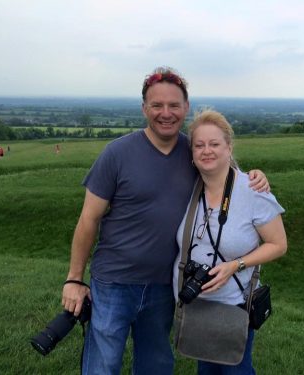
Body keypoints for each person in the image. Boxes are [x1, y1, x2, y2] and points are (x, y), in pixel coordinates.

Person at [61, 67, 269, 375]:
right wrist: (75, 279)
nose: (165, 113)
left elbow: (227, 174)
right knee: (103, 364)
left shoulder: (194, 152)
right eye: (156, 105)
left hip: (163, 286)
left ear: (186, 107)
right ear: (144, 108)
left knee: (155, 364)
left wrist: (257, 177)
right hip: (114, 283)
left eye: (174, 105)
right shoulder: (117, 153)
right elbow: (88, 220)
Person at [173, 110, 287, 375]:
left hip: (235, 306)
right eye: (199, 145)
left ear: (229, 147)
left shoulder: (252, 190)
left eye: (214, 144)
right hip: (198, 304)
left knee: (235, 370)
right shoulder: (190, 187)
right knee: (206, 370)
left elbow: (279, 244)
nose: (206, 151)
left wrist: (236, 265)